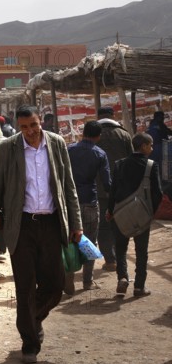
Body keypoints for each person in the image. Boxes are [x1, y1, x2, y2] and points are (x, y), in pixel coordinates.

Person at [0, 105, 82, 364]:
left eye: (34, 126)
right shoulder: (8, 148)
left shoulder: (57, 144)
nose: (29, 132)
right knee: (25, 286)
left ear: (42, 122)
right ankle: (30, 342)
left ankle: (33, 317)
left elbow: (68, 185)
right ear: (18, 126)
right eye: (24, 127)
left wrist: (76, 223)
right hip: (22, 225)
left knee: (55, 285)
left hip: (51, 224)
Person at [106, 132, 162, 297]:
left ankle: (122, 277)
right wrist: (150, 212)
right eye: (150, 145)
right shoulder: (151, 165)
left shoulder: (119, 164)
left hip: (120, 214)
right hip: (142, 215)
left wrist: (110, 211)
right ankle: (139, 287)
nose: (151, 149)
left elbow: (113, 190)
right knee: (141, 251)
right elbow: (157, 193)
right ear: (143, 146)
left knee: (121, 249)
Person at [67, 121, 111, 293]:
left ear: (83, 132)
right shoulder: (100, 154)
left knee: (70, 239)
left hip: (71, 203)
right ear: (98, 137)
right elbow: (107, 183)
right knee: (90, 241)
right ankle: (87, 281)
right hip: (91, 202)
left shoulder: (69, 150)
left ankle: (69, 275)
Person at [96, 106, 133, 271]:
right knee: (120, 223)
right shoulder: (124, 134)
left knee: (103, 224)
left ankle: (109, 259)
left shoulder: (93, 134)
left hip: (99, 189)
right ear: (113, 115)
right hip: (121, 189)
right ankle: (120, 258)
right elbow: (132, 161)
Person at [146, 110, 172, 176]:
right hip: (159, 147)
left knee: (155, 165)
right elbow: (167, 132)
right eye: (162, 117)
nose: (163, 118)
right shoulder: (159, 124)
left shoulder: (151, 125)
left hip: (151, 148)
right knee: (162, 164)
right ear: (158, 117)